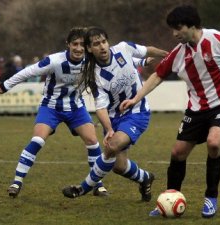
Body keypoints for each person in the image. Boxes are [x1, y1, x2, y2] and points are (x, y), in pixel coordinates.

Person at [120, 5, 220, 218]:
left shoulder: (217, 39)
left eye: (178, 28)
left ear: (192, 25)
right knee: (177, 152)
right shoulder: (178, 54)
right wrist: (135, 98)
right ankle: (169, 197)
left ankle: (211, 197)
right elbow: (157, 76)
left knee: (214, 142)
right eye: (172, 29)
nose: (174, 34)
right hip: (197, 110)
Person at [0, 27, 108, 198]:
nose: (78, 48)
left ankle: (97, 184)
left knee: (93, 141)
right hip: (51, 107)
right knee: (38, 140)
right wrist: (4, 86)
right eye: (74, 44)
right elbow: (27, 72)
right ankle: (17, 182)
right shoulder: (54, 61)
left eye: (82, 44)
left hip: (76, 107)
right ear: (68, 44)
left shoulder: (91, 60)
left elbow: (114, 60)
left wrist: (142, 61)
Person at [62, 26, 168, 202]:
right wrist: (109, 128)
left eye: (104, 41)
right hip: (113, 118)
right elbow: (101, 107)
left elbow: (147, 50)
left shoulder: (124, 49)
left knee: (112, 147)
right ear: (89, 49)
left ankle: (83, 188)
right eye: (96, 44)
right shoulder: (94, 76)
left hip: (137, 112)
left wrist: (166, 54)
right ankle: (145, 178)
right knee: (119, 166)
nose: (102, 47)